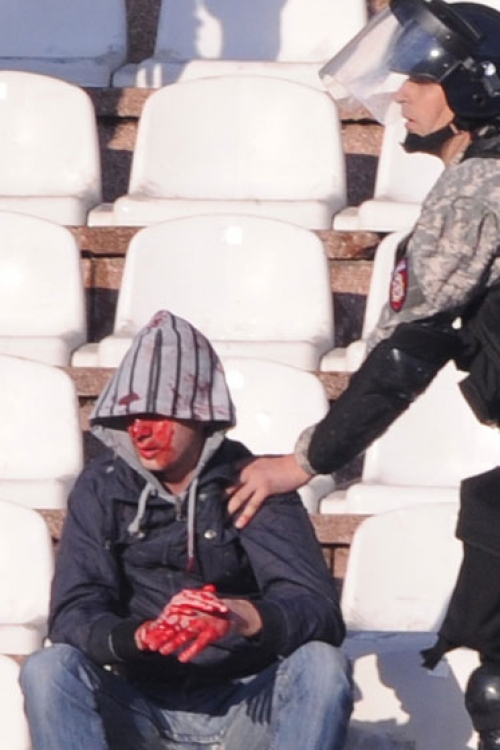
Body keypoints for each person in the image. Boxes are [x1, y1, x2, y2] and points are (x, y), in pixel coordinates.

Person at [225, 1, 500, 747]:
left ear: (472, 88)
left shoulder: (477, 188)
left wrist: (306, 460)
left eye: (421, 77)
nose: (402, 93)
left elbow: (409, 349)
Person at [19, 310, 352, 750]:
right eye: (131, 415)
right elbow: (73, 612)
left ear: (201, 416)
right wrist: (137, 636)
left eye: (159, 414)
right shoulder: (100, 486)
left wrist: (240, 617)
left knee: (323, 666)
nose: (141, 431)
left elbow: (320, 614)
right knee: (48, 669)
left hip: (247, 702)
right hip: (137, 704)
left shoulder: (255, 480)